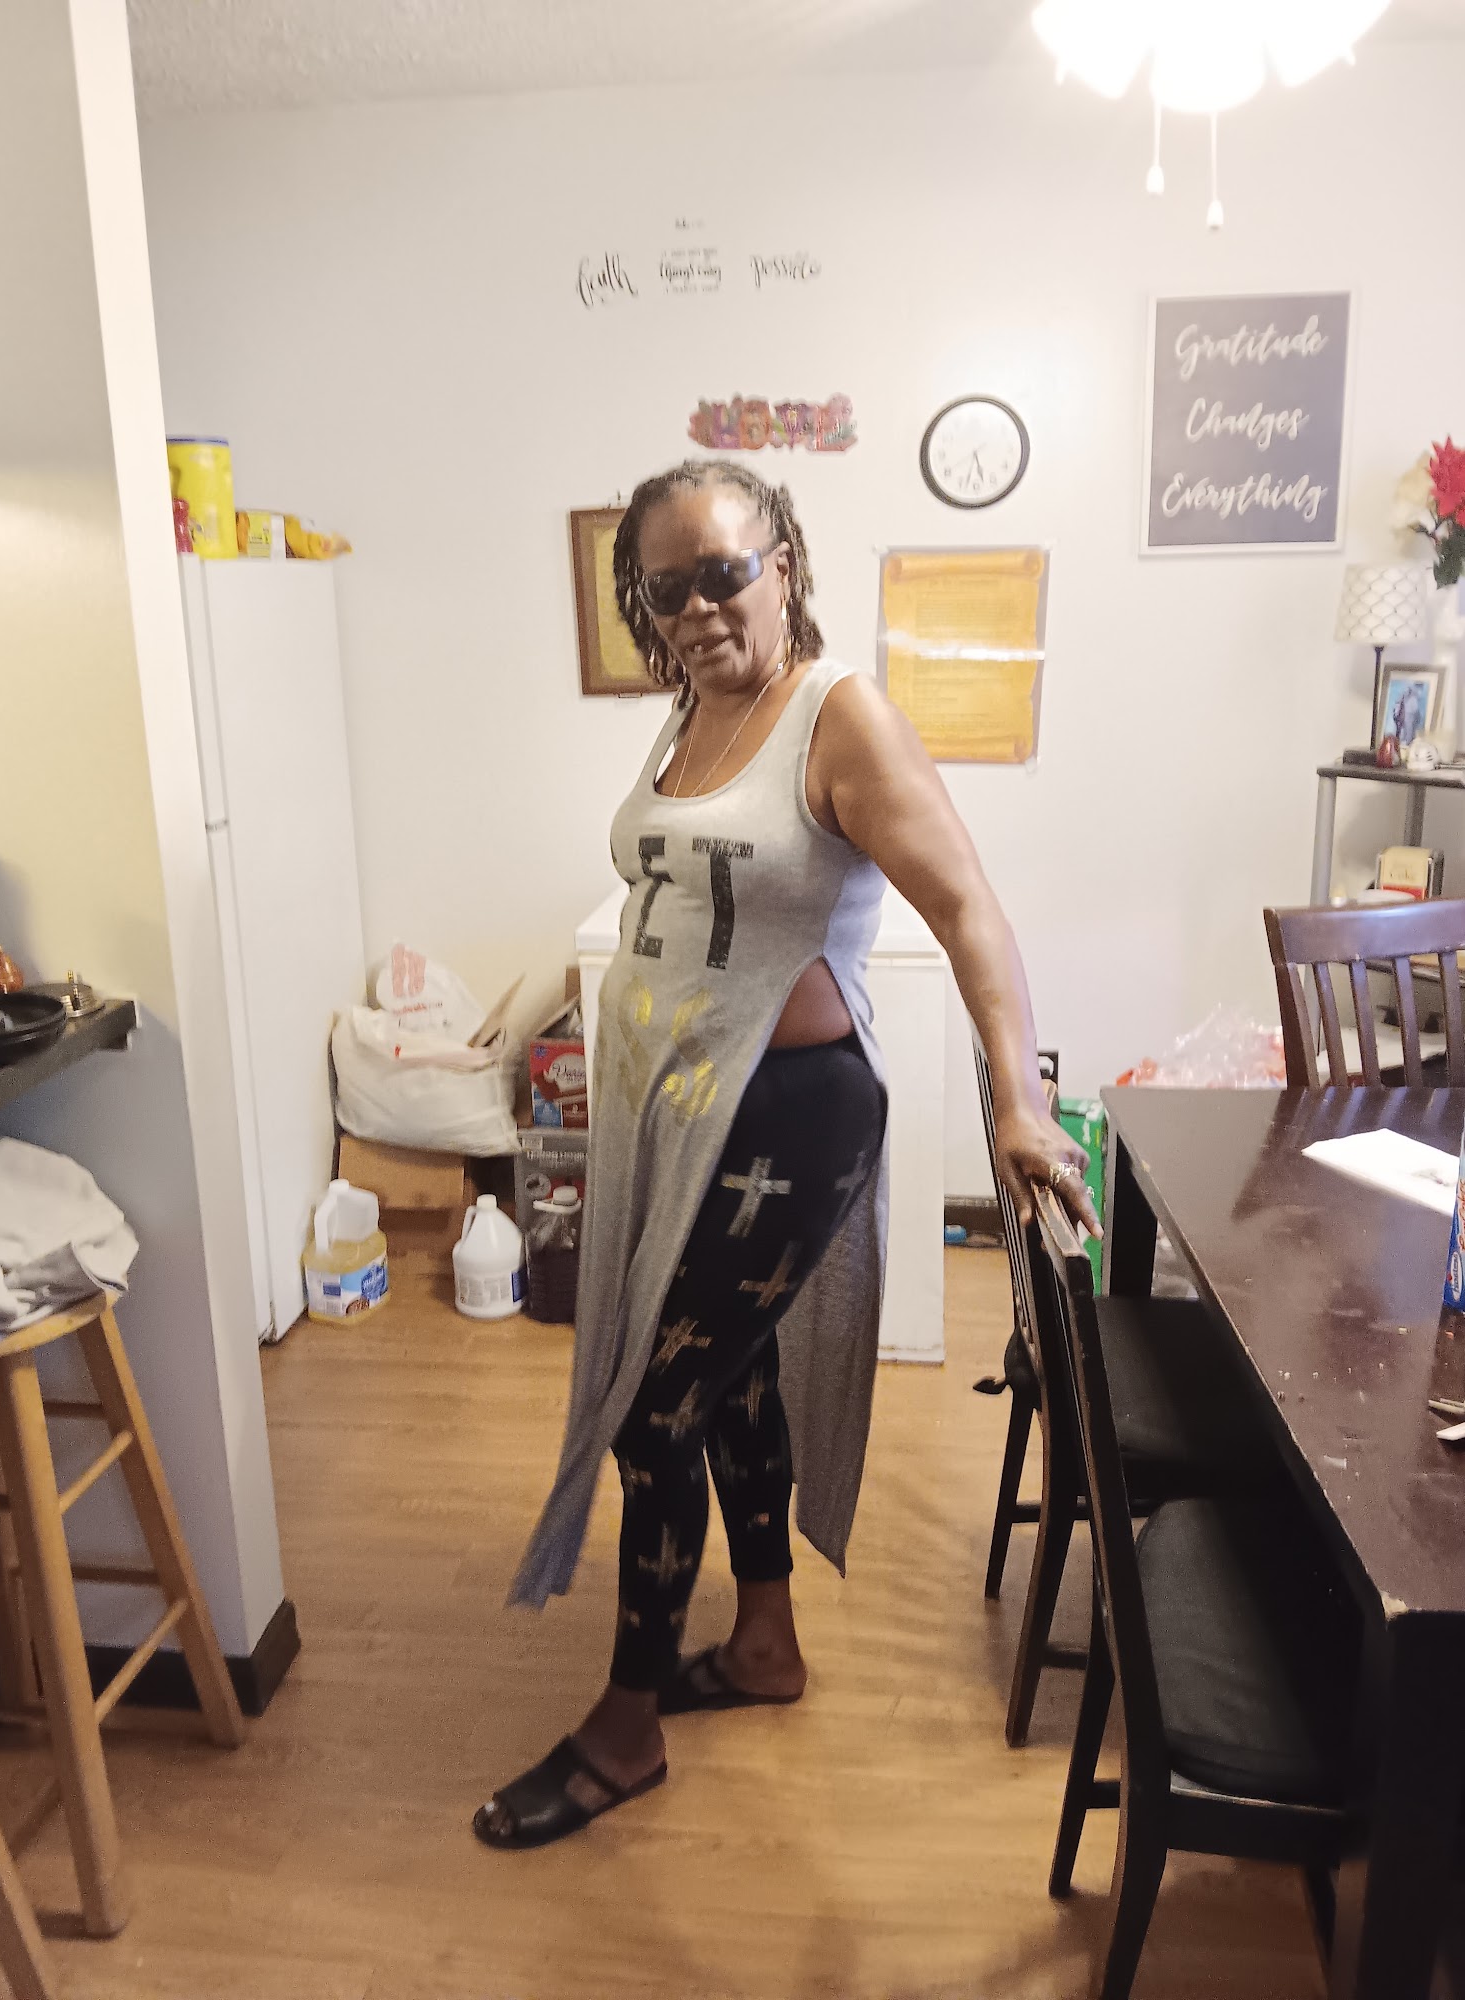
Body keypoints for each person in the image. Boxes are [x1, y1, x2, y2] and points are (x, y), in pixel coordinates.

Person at [474, 459, 1097, 1849]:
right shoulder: (689, 713)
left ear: (785, 565)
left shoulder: (839, 716)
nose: (699, 608)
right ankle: (764, 1646)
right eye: (666, 588)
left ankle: (626, 1730)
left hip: (787, 1121)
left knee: (657, 1414)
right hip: (684, 1112)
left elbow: (972, 911)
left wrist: (1015, 1098)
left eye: (724, 573)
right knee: (732, 1376)